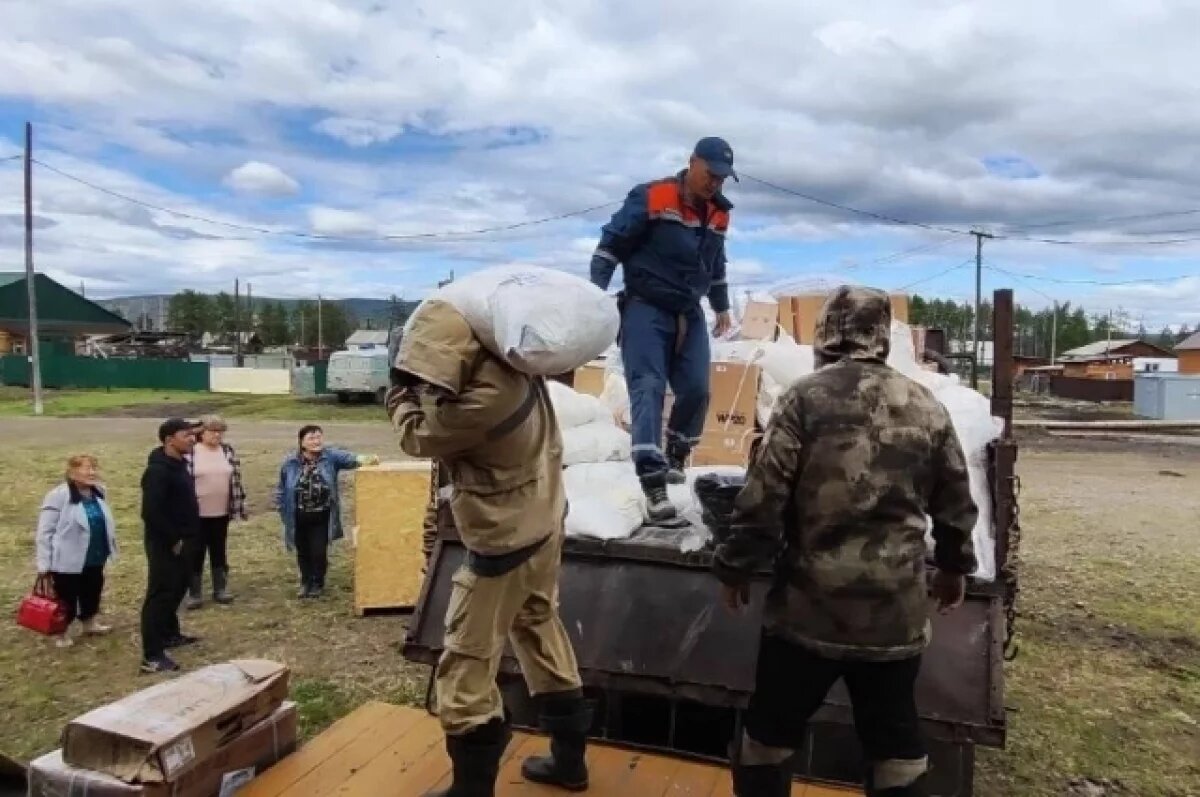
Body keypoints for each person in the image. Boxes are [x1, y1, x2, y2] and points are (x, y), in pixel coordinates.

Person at [711, 286, 980, 797]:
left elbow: (763, 496)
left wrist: (736, 567)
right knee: (896, 745)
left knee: (768, 736)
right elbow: (955, 502)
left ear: (825, 333)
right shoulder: (926, 405)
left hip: (807, 612)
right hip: (893, 617)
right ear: (881, 336)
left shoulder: (804, 399)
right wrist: (952, 568)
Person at [387, 298, 588, 797]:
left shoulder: (483, 399)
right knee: (541, 630)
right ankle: (570, 763)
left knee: (465, 662)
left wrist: (398, 397)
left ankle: (471, 788)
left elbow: (418, 436)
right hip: (542, 523)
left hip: (502, 541)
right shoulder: (514, 368)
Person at [590, 136, 737, 523]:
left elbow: (716, 263)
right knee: (648, 386)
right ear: (692, 162)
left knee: (697, 389)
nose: (715, 184)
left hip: (688, 311)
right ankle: (652, 482)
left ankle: (675, 453)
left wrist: (721, 306)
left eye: (722, 179)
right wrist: (591, 296)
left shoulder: (720, 213)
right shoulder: (652, 196)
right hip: (645, 307)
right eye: (711, 175)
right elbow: (610, 245)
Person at [273, 425, 378, 599]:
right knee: (303, 551)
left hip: (322, 516)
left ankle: (317, 582)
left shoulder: (330, 457)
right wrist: (280, 507)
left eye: (319, 437)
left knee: (318, 551)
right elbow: (282, 488)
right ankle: (305, 582)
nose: (316, 441)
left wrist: (367, 458)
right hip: (297, 515)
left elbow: (350, 458)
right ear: (302, 443)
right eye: (311, 438)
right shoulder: (290, 462)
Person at [140, 418, 204, 674]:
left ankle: (170, 634)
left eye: (192, 434)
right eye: (185, 435)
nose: (191, 439)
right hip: (166, 544)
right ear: (169, 440)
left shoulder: (179, 464)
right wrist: (173, 540)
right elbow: (151, 512)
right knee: (160, 595)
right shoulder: (157, 471)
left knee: (178, 589)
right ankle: (152, 655)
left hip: (186, 539)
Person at [34, 454, 119, 649]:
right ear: (72, 473)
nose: (92, 472)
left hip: (95, 554)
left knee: (92, 589)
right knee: (67, 596)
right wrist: (44, 563)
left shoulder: (99, 492)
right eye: (87, 468)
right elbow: (45, 531)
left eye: (94, 468)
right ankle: (61, 632)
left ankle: (89, 622)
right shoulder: (58, 495)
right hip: (67, 557)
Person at [184, 414, 248, 609]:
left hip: (221, 512)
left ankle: (220, 588)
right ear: (201, 433)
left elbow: (235, 479)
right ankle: (194, 592)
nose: (217, 435)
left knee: (219, 550)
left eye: (220, 431)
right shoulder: (190, 452)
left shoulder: (227, 451)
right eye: (213, 431)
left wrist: (239, 505)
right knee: (195, 552)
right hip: (196, 514)